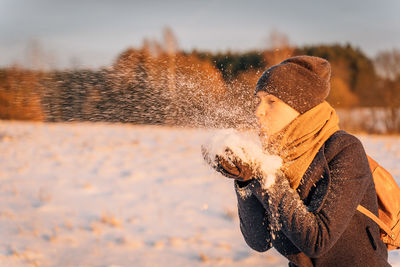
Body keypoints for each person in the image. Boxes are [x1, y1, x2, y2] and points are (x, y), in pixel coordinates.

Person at [203, 56, 390, 266]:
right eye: (258, 101)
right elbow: (259, 241)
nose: (258, 111)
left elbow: (318, 240)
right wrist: (246, 180)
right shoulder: (274, 159)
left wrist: (264, 174)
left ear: (301, 107)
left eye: (271, 101)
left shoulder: (344, 149)